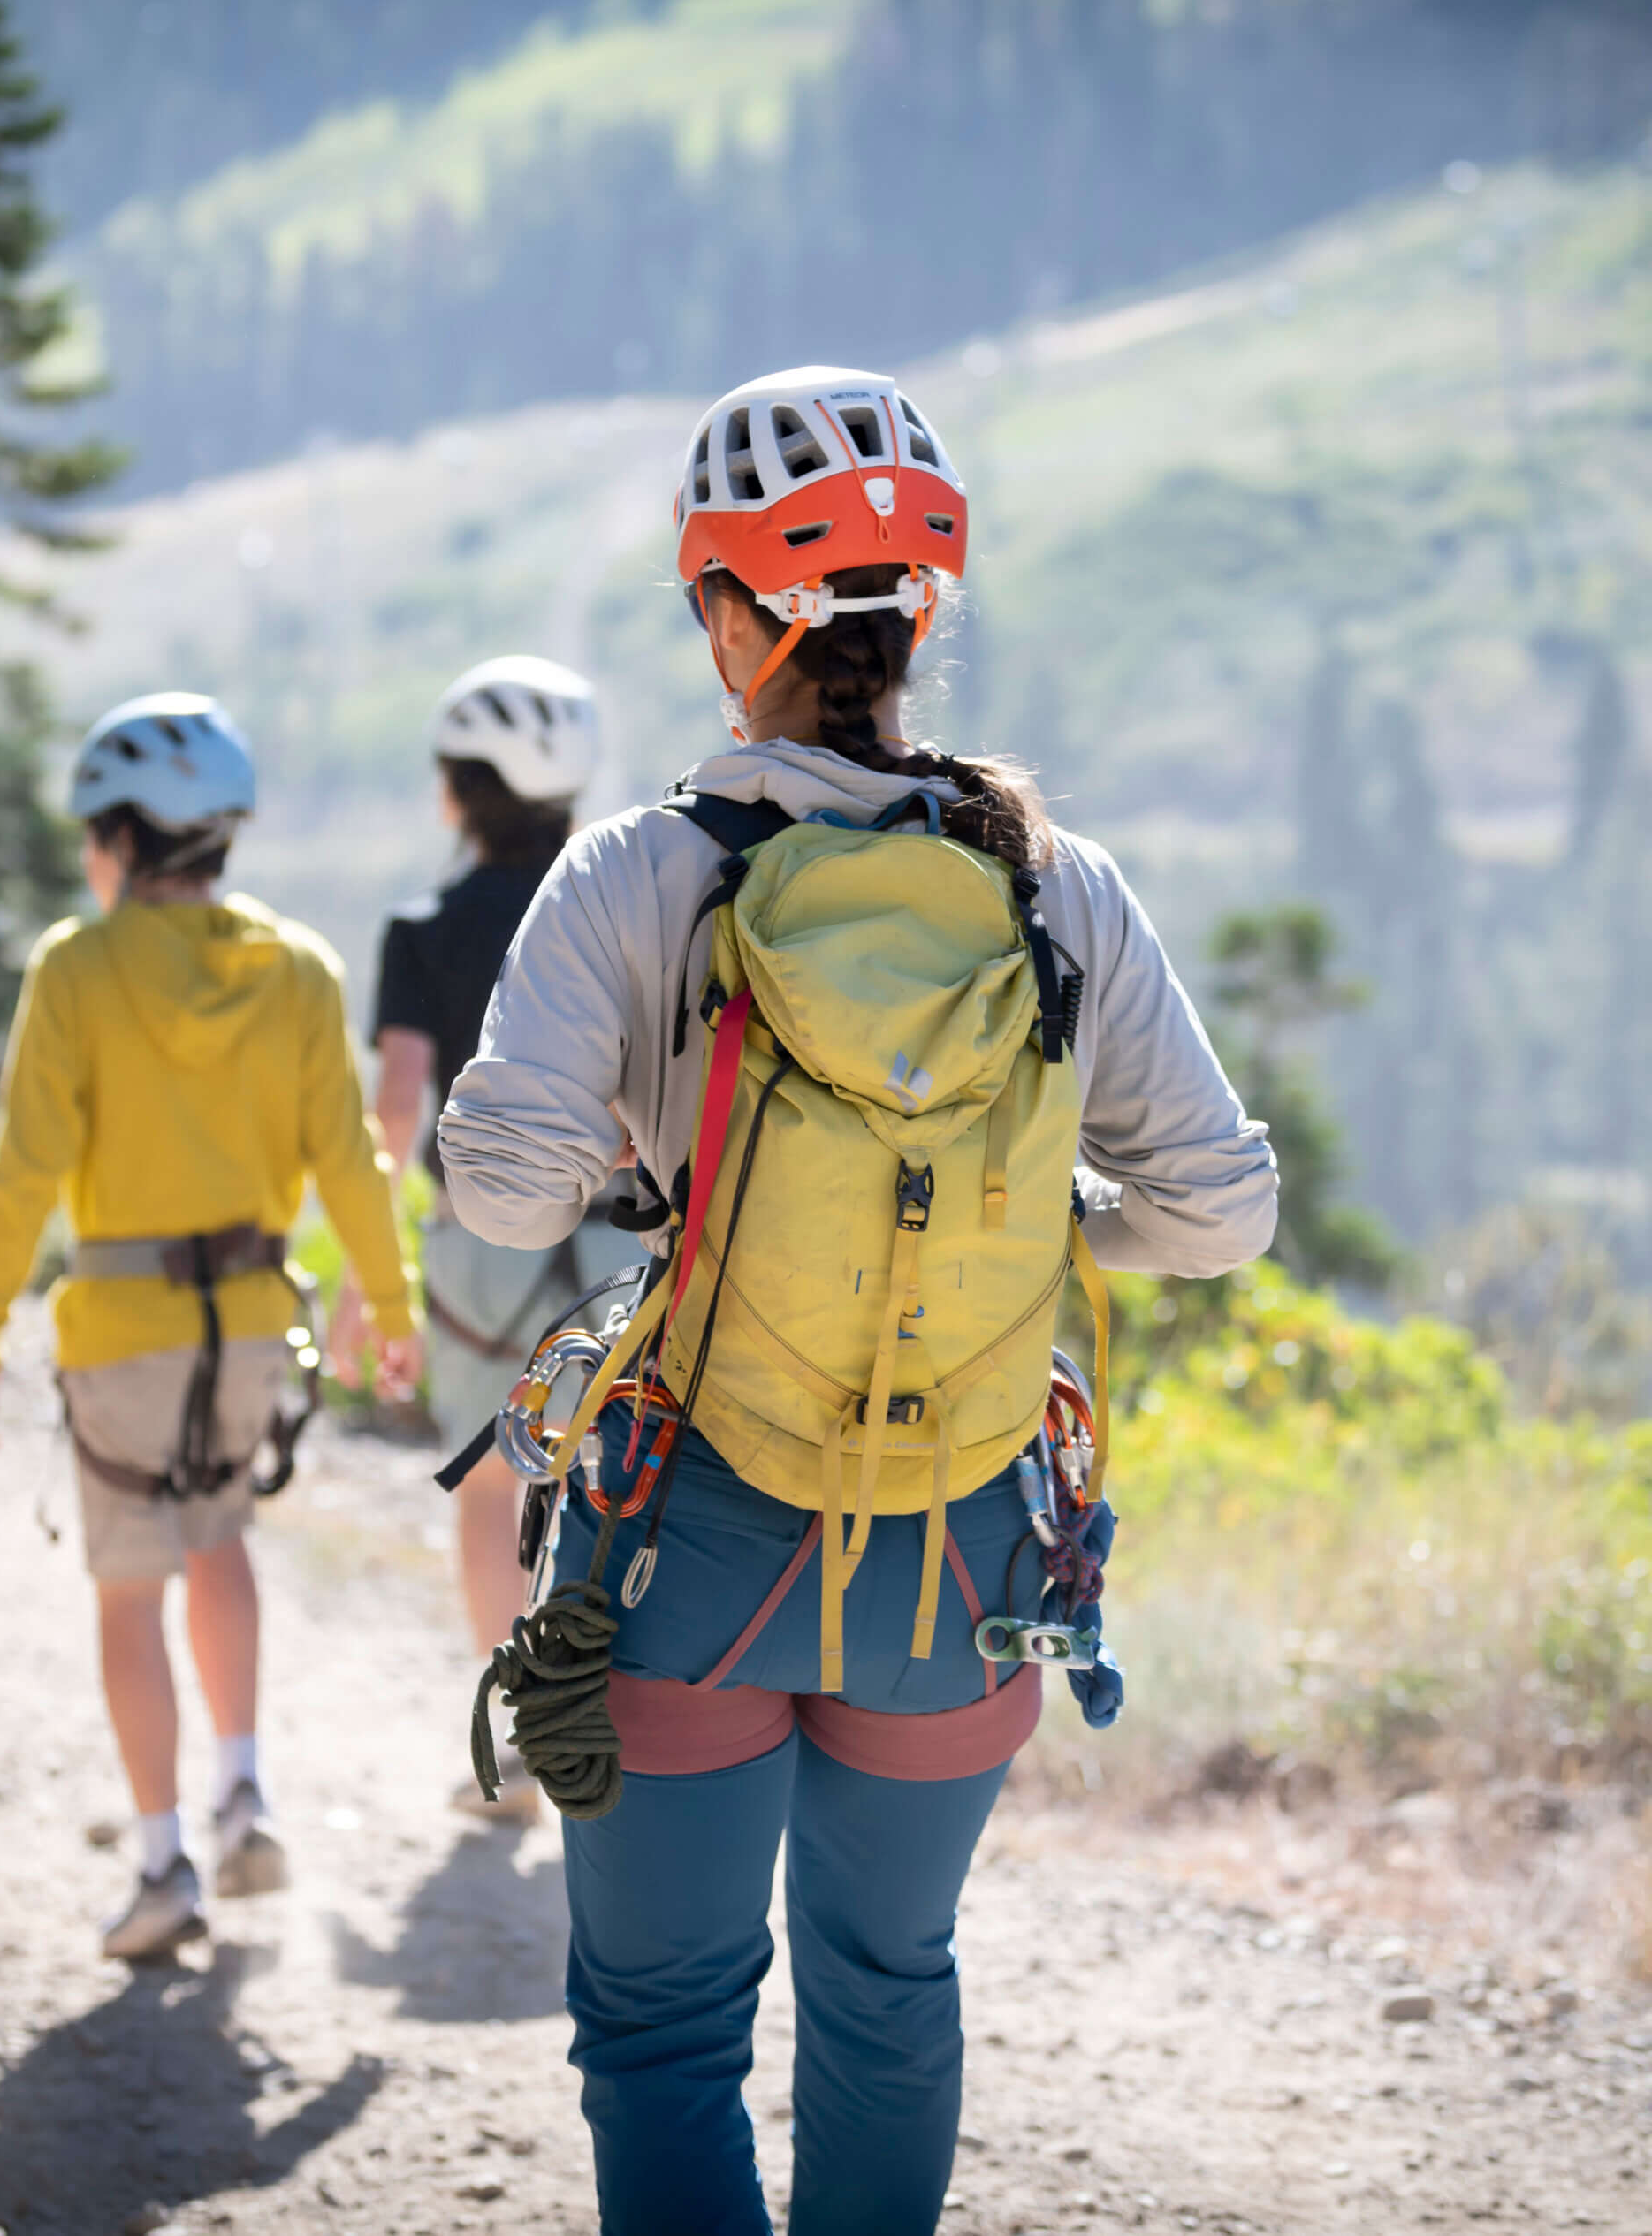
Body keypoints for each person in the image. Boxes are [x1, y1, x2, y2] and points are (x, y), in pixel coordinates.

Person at [438, 367, 1276, 2233]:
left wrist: (668, 1168)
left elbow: (495, 1189)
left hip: (691, 1531)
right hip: (964, 1545)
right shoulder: (1058, 888)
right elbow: (1219, 1212)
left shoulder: (641, 870)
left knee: (663, 2027)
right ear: (924, 620)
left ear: (731, 612)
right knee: (886, 1993)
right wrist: (1040, 1213)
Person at [0, 692, 423, 1959]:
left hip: (121, 1324)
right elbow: (351, 1163)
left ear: (119, 838)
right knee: (222, 1542)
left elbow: (23, 1168)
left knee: (129, 1591)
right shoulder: (296, 968)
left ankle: (164, 1861)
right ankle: (243, 1788)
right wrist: (392, 1303)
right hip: (253, 1322)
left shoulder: (78, 967)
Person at [336, 656, 643, 1817]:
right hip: (623, 1239)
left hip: (478, 1246)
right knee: (626, 1478)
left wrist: (369, 1276)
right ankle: (630, 1721)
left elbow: (396, 1109)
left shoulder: (426, 927)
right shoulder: (620, 911)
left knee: (490, 1488)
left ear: (458, 791)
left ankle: (520, 1737)